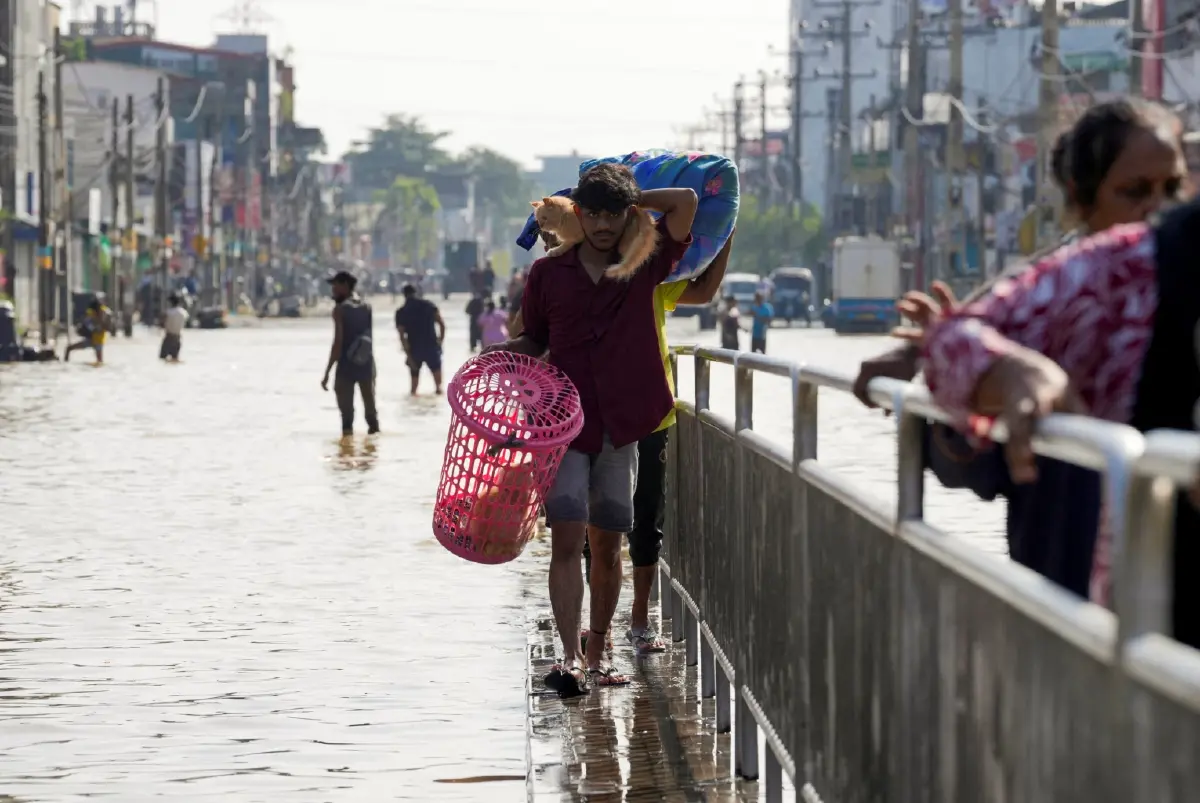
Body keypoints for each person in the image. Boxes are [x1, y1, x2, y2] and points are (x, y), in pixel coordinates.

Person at [852, 97, 1186, 598]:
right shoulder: (1045, 300)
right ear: (1082, 196)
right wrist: (971, 368)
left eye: (1173, 189)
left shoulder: (1185, 267)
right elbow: (970, 459)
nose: (1156, 210)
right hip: (1068, 583)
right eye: (1134, 192)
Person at [487, 163, 697, 695]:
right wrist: (495, 357)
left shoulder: (643, 263)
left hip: (621, 425)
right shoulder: (548, 274)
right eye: (593, 213)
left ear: (627, 216)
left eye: (614, 214)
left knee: (608, 545)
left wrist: (631, 196)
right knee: (566, 536)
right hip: (562, 426)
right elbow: (534, 340)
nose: (604, 225)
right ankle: (569, 656)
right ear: (578, 214)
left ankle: (600, 651)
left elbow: (686, 203)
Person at [581, 230, 736, 655]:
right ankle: (600, 627)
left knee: (647, 517)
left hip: (650, 414)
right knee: (595, 528)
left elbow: (703, 292)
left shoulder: (650, 280)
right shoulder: (577, 279)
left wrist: (725, 236)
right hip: (598, 415)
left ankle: (639, 618)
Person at [321, 270, 379, 437]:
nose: (333, 290)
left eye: (335, 286)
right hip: (366, 365)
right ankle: (372, 455)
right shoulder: (366, 307)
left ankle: (346, 454)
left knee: (346, 417)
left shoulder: (339, 310)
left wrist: (327, 372)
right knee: (371, 413)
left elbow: (337, 342)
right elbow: (369, 337)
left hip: (346, 368)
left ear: (345, 286)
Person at [395, 283, 446, 395]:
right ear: (416, 292)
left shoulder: (401, 311)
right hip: (431, 346)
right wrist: (440, 342)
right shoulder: (429, 305)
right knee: (438, 388)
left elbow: (401, 335)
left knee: (413, 390)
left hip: (414, 348)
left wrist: (408, 354)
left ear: (404, 295)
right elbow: (442, 324)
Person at [65, 297, 111, 364]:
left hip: (98, 340)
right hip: (91, 339)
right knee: (69, 348)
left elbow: (106, 326)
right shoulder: (92, 314)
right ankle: (65, 363)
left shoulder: (104, 312)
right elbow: (85, 323)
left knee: (99, 361)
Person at [160, 294, 188, 361]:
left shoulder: (168, 312)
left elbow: (161, 324)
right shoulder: (184, 313)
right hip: (178, 338)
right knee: (175, 359)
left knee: (162, 359)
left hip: (169, 337)